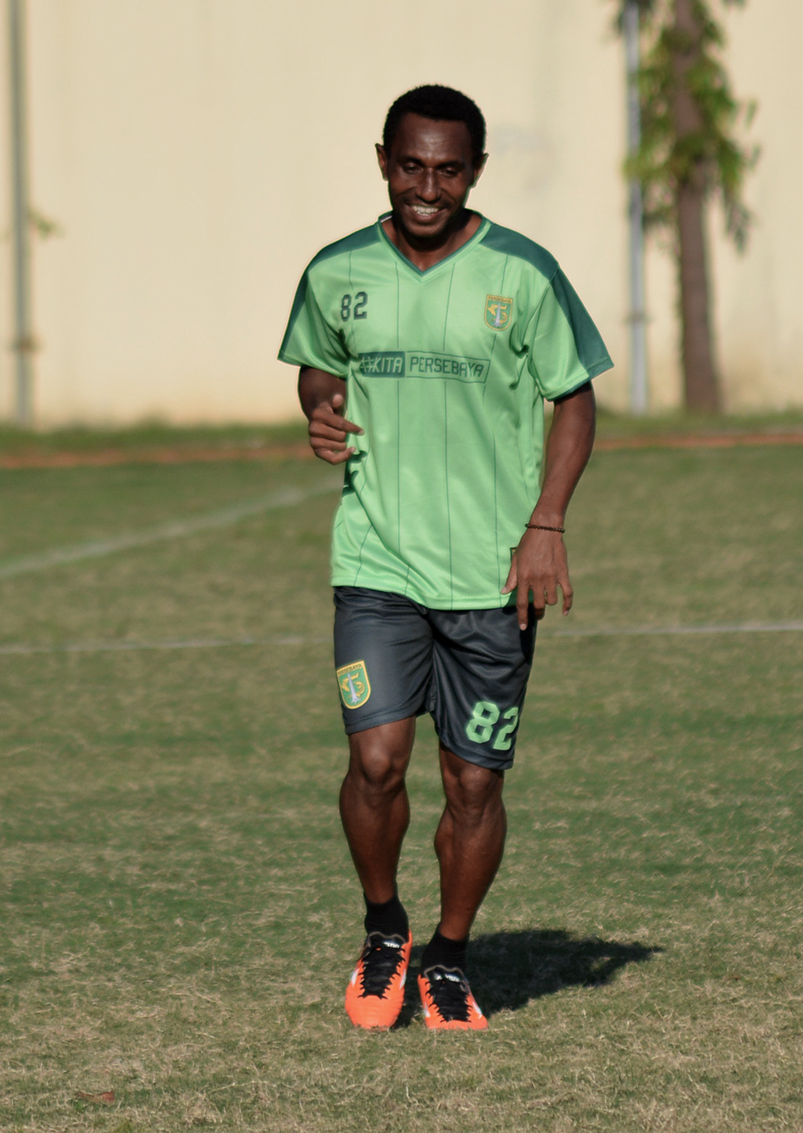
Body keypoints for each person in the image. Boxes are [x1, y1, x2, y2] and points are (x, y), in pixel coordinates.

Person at [277, 85, 609, 1031]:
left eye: (449, 169)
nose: (429, 186)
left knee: (473, 782)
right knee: (377, 761)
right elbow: (318, 362)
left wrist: (547, 521)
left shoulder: (525, 273)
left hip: (493, 575)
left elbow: (574, 398)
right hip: (376, 559)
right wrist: (319, 405)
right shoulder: (338, 270)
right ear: (383, 160)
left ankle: (450, 959)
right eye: (413, 166)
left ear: (476, 172)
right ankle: (386, 931)